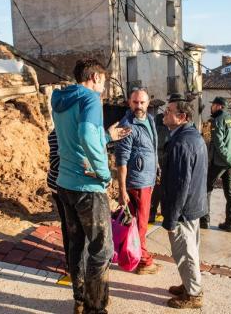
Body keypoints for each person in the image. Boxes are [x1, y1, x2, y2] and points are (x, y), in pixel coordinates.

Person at [51, 58, 130, 314]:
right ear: (95, 77)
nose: (104, 87)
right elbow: (85, 135)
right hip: (87, 186)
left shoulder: (61, 99)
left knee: (77, 245)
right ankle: (95, 307)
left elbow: (75, 136)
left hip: (65, 183)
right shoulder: (90, 99)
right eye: (104, 81)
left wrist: (106, 136)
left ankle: (80, 300)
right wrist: (104, 172)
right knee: (102, 250)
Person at [160, 94, 208, 309]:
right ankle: (189, 284)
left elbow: (180, 185)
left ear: (181, 117)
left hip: (183, 209)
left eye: (169, 111)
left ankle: (194, 295)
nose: (164, 113)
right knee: (190, 249)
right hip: (194, 205)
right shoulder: (192, 136)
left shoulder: (181, 143)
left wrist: (171, 218)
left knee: (185, 252)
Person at [114, 88, 160, 275]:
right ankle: (143, 261)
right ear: (129, 102)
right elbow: (121, 162)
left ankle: (132, 253)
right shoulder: (127, 126)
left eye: (142, 102)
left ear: (148, 103)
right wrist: (122, 190)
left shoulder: (149, 120)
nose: (138, 106)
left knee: (136, 222)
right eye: (135, 102)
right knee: (140, 224)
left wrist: (157, 170)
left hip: (147, 179)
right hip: (137, 183)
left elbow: (152, 149)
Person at [201, 97, 231, 233]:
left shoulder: (217, 121)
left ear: (219, 106)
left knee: (206, 188)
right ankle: (230, 223)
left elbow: (219, 145)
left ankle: (205, 221)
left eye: (213, 105)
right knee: (230, 192)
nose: (211, 108)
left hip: (220, 162)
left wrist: (230, 160)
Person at [46, 128, 69, 269]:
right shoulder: (56, 133)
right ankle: (71, 261)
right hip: (59, 185)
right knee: (68, 224)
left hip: (69, 184)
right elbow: (55, 162)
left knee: (72, 224)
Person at [149, 111, 169, 223]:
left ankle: (152, 213)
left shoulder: (155, 129)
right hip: (165, 158)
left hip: (156, 159)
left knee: (157, 187)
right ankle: (165, 213)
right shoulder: (168, 129)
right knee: (165, 187)